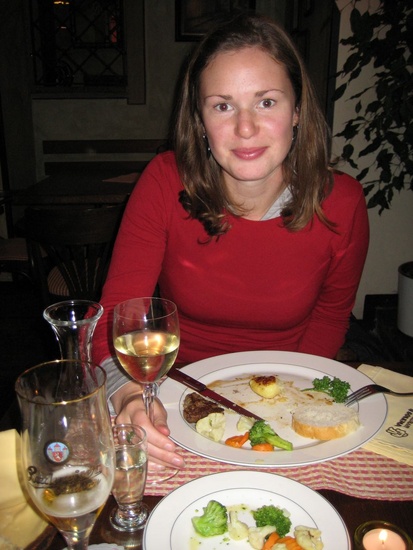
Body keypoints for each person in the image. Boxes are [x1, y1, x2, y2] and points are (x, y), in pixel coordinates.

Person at [92, 13, 369, 471]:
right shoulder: (163, 181)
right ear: (200, 120)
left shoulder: (344, 202)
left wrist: (284, 407)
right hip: (173, 400)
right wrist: (128, 396)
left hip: (287, 399)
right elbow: (117, 317)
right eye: (222, 106)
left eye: (266, 102)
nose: (245, 128)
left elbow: (330, 316)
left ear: (297, 111)